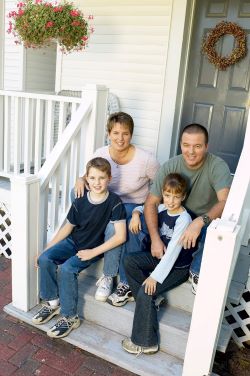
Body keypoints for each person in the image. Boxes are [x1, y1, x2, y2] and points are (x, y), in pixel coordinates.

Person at [32, 157, 126, 339]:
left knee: (67, 269)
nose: (97, 182)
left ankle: (69, 316)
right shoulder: (80, 199)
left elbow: (120, 236)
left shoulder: (114, 202)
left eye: (101, 178)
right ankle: (52, 302)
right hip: (73, 242)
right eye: (92, 178)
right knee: (45, 259)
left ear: (109, 178)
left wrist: (94, 252)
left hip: (93, 248)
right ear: (86, 178)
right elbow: (68, 227)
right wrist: (47, 248)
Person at [74, 112, 160, 305]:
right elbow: (87, 175)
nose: (120, 138)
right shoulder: (101, 153)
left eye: (125, 133)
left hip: (133, 206)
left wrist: (140, 210)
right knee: (78, 194)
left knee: (128, 225)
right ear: (108, 133)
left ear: (131, 135)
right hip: (108, 203)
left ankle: (125, 281)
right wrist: (79, 180)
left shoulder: (146, 160)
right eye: (116, 133)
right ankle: (80, 248)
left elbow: (160, 188)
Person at [143, 123, 232, 295]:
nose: (191, 151)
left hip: (201, 220)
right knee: (138, 223)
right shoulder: (170, 165)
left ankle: (196, 272)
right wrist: (155, 238)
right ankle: (131, 280)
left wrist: (200, 220)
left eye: (197, 146)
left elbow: (225, 201)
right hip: (175, 215)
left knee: (214, 228)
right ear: (180, 145)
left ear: (206, 146)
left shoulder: (217, 166)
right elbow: (151, 203)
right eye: (186, 145)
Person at [122, 172, 195, 355]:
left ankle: (146, 342)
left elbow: (172, 253)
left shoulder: (184, 219)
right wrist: (136, 214)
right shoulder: (162, 208)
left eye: (176, 196)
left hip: (177, 267)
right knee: (130, 261)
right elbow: (143, 206)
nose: (171, 200)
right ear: (163, 193)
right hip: (159, 259)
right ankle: (152, 301)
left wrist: (154, 277)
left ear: (183, 196)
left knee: (146, 293)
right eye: (168, 195)